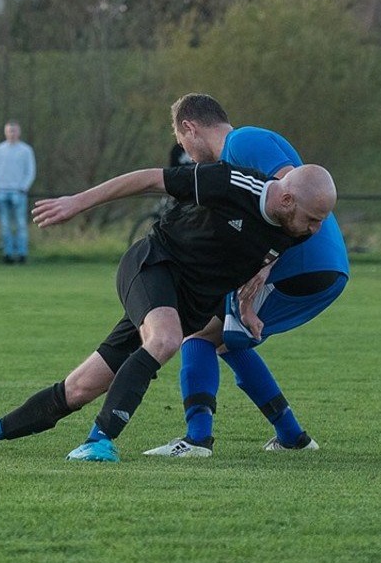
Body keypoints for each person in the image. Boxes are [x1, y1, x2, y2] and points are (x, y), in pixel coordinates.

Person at [0, 109, 337, 462]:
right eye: (313, 219)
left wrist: (247, 309)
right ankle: (98, 442)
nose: (317, 230)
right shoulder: (231, 182)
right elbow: (147, 180)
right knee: (166, 340)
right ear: (286, 200)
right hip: (154, 265)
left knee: (78, 389)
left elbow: (259, 262)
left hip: (191, 301)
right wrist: (77, 202)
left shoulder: (295, 227)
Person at [144, 95, 349, 458]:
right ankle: (292, 437)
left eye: (182, 145)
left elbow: (292, 193)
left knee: (199, 335)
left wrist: (267, 261)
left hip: (301, 264)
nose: (188, 157)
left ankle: (196, 440)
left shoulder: (244, 142)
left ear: (190, 128)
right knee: (228, 339)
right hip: (320, 267)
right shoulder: (234, 162)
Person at [0, 120, 36, 264]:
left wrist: (24, 187)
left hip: (18, 192)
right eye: (9, 131)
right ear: (5, 132)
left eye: (14, 130)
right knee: (5, 225)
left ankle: (22, 254)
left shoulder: (26, 150)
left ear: (19, 132)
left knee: (20, 224)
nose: (12, 133)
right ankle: (7, 254)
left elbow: (30, 171)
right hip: (1, 192)